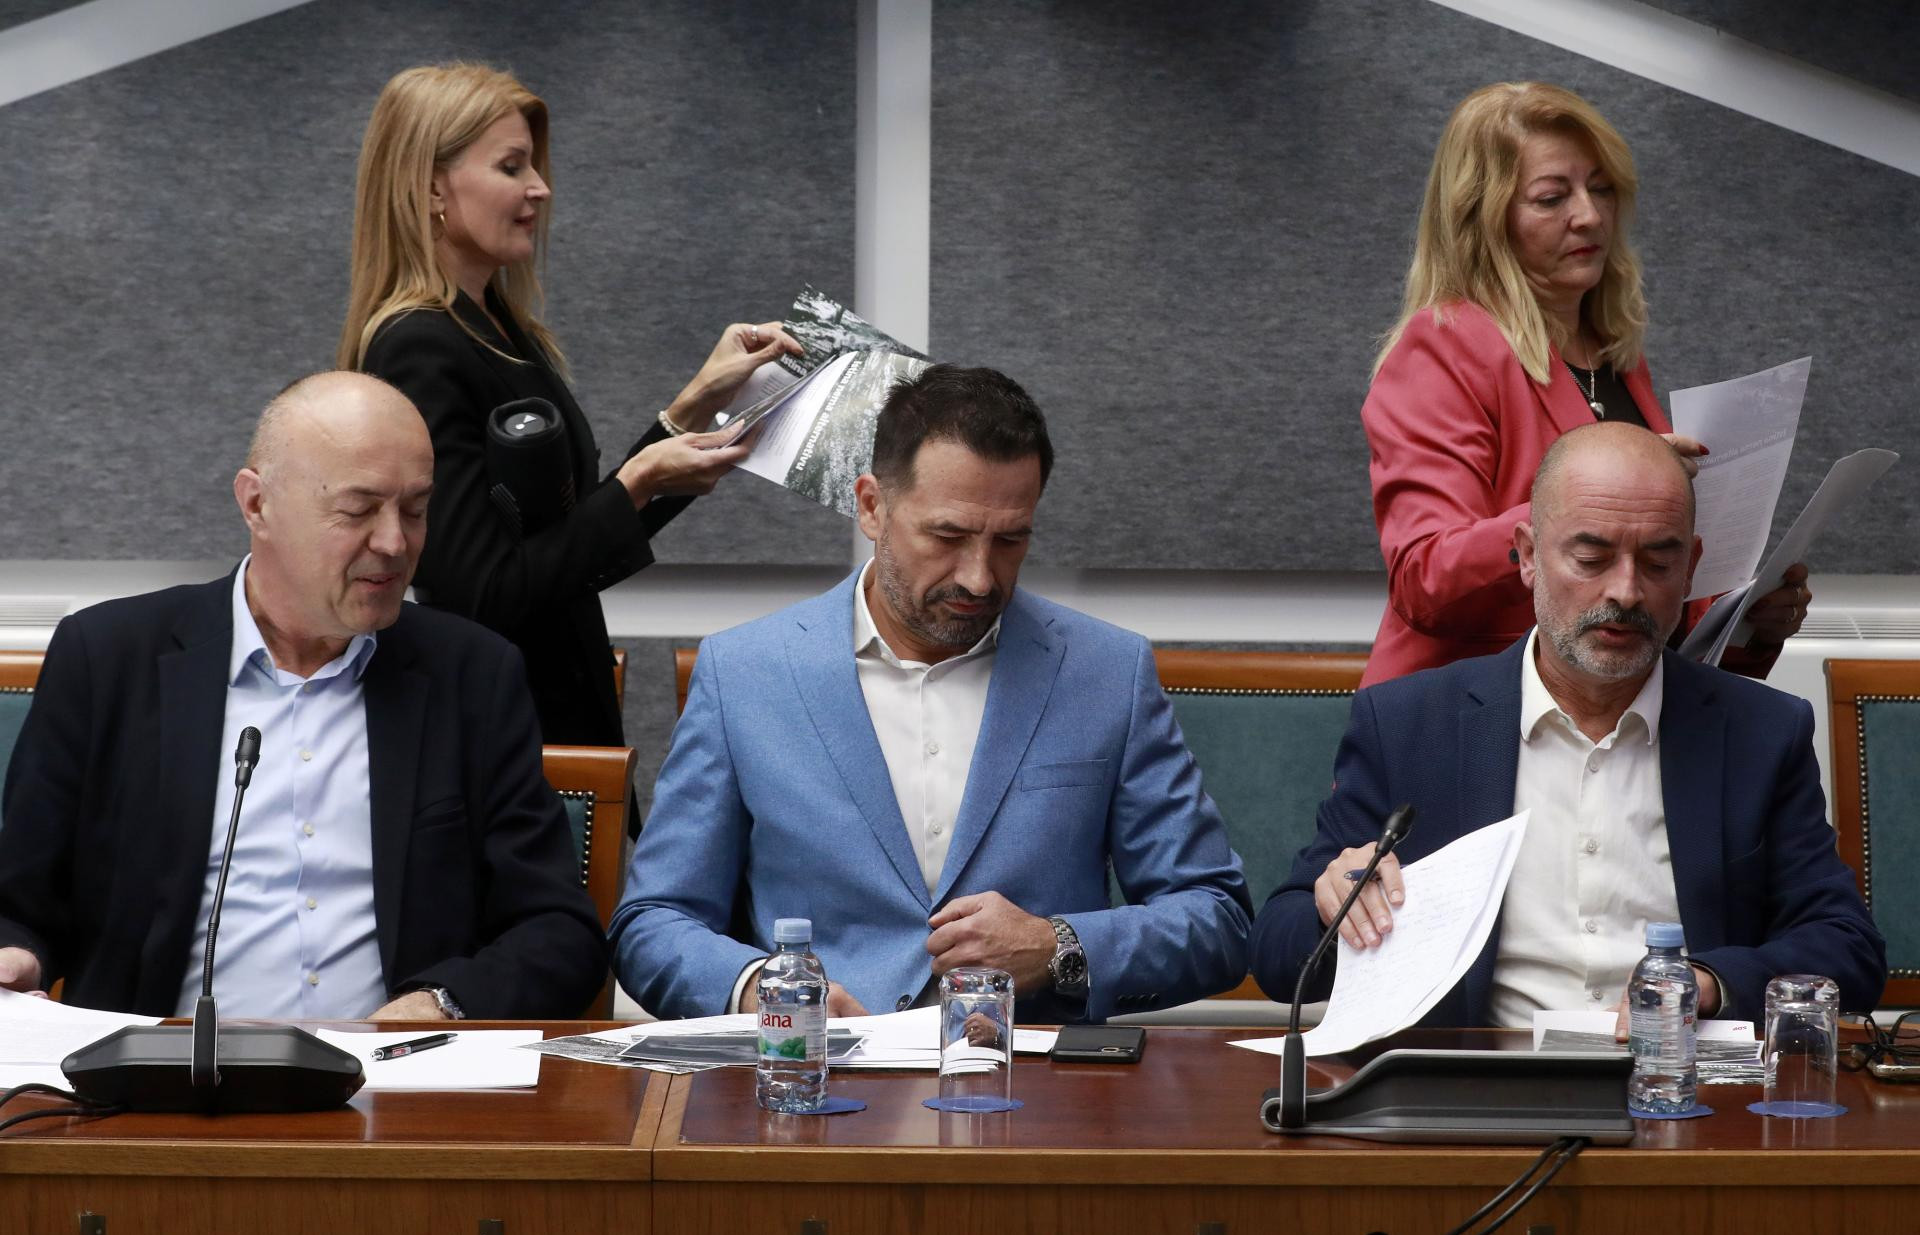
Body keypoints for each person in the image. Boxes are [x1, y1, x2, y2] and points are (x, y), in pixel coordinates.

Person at [609, 364, 1252, 1022]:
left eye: (1011, 540)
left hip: (1035, 1078)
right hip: (815, 1070)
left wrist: (1059, 946)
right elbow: (653, 922)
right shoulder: (744, 672)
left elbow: (1218, 921)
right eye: (948, 536)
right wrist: (763, 991)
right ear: (871, 506)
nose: (979, 578)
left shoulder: (1106, 672)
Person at [0, 372, 606, 1020]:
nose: (394, 543)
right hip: (154, 1069)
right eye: (359, 510)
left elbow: (559, 933)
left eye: (415, 509)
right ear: (256, 504)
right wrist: (14, 952)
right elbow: (21, 901)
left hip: (391, 1073)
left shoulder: (472, 676)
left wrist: (442, 1003)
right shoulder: (108, 658)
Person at [1250, 422, 1885, 1026]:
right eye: (1591, 558)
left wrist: (1709, 983)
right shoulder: (1412, 726)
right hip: (1482, 1078)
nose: (1626, 592)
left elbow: (1847, 948)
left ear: (1692, 566)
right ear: (1528, 556)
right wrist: (1336, 909)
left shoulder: (1759, 732)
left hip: (1677, 1072)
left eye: (1658, 564)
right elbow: (1278, 954)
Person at [339, 63, 803, 747]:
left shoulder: (496, 325)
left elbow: (569, 529)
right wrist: (640, 481)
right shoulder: (418, 346)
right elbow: (482, 594)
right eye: (511, 167)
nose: (540, 188)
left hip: (557, 711)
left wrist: (696, 404)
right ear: (432, 186)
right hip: (505, 742)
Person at [1360, 80, 1808, 688]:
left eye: (1601, 189)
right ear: (1484, 220)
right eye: (1551, 198)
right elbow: (1425, 579)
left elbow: (1627, 583)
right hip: (1474, 711)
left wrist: (1748, 623)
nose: (1590, 215)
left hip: (1607, 708)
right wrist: (1575, 510)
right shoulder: (1445, 343)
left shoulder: (1613, 353)